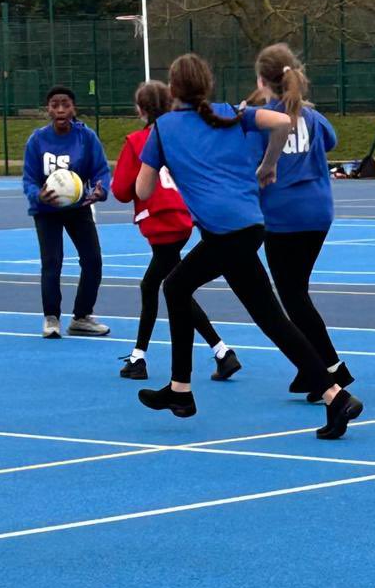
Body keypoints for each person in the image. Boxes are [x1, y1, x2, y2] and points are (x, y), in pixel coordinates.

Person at [134, 53, 363, 439]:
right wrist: (267, 164)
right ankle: (335, 395)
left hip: (226, 233)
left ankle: (181, 390)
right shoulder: (229, 114)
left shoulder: (164, 129)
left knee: (174, 286)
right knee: (270, 316)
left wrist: (162, 166)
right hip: (248, 226)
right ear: (207, 85)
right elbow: (283, 121)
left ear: (172, 90)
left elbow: (141, 189)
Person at [111, 79, 240, 381]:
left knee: (173, 288)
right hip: (183, 217)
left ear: (140, 110)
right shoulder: (179, 135)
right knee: (158, 284)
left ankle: (220, 351)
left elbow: (120, 190)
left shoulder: (137, 141)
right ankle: (141, 355)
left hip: (160, 222)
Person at [247, 43, 353, 403]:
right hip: (319, 212)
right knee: (298, 292)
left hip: (284, 216)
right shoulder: (312, 117)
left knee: (292, 297)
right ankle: (311, 368)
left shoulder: (263, 120)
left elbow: (251, 162)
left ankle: (330, 367)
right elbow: (331, 142)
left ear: (262, 80)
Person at [22, 85, 111, 338]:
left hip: (78, 207)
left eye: (66, 104)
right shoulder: (37, 140)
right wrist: (36, 194)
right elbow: (29, 178)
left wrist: (100, 190)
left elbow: (101, 171)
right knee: (52, 263)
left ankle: (82, 317)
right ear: (48, 109)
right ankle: (51, 318)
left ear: (74, 108)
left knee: (92, 261)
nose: (60, 109)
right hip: (46, 209)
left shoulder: (86, 137)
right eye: (55, 104)